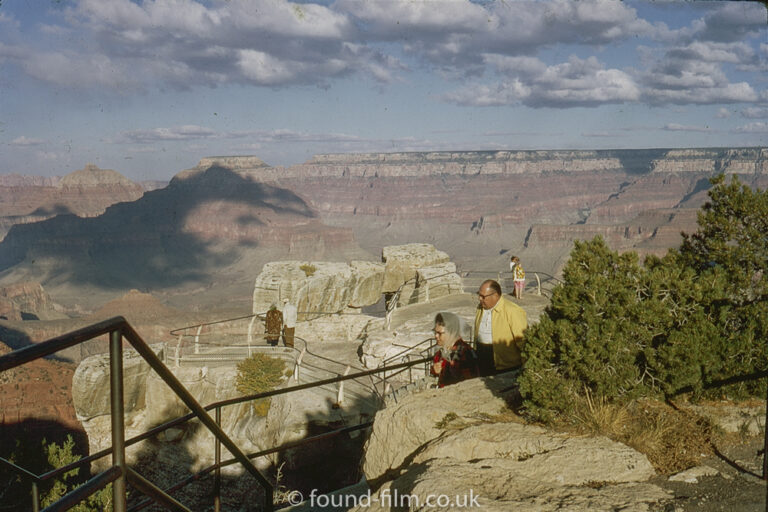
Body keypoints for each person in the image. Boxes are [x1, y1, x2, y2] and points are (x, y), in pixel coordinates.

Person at [474, 279, 527, 376]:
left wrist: (526, 366)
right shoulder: (480, 308)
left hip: (505, 366)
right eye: (479, 294)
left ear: (495, 295)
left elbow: (523, 341)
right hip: (482, 362)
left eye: (483, 296)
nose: (479, 298)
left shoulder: (512, 311)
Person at [430, 312, 479, 388]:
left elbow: (470, 384)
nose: (436, 336)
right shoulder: (440, 352)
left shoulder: (465, 353)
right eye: (435, 332)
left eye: (439, 333)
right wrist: (434, 370)